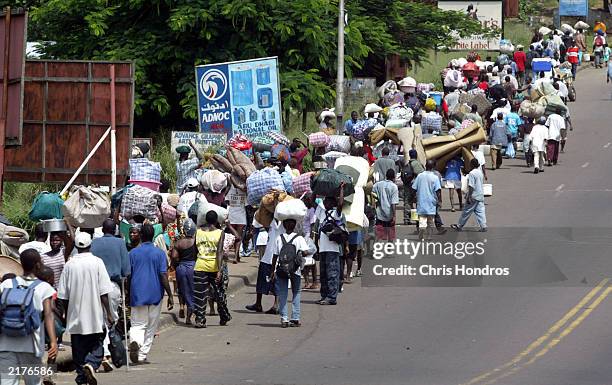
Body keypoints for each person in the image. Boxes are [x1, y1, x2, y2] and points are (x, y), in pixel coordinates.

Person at [57, 232, 114, 385]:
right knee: (97, 347)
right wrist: (109, 313)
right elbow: (104, 292)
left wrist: (65, 314)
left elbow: (63, 296)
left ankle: (82, 376)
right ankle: (91, 364)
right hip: (95, 316)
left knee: (78, 351)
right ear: (90, 245)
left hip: (75, 318)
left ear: (76, 246)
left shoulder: (69, 265)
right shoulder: (97, 263)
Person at [0, 249, 57, 385]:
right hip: (32, 347)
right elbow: (49, 315)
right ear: (38, 265)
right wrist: (53, 341)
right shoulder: (44, 288)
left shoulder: (6, 284)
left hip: (5, 345)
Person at [128, 223, 174, 364]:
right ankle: (142, 354)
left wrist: (128, 291)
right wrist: (170, 294)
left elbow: (128, 276)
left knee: (137, 323)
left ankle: (135, 341)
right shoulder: (159, 253)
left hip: (137, 293)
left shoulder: (132, 253)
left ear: (141, 236)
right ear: (153, 236)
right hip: (155, 293)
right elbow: (163, 275)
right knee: (151, 325)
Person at [90, 218, 131, 371]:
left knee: (99, 320)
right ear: (114, 230)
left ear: (102, 230)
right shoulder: (120, 243)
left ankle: (101, 353)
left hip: (95, 286)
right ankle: (106, 353)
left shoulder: (94, 243)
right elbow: (126, 270)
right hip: (112, 286)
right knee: (111, 320)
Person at [194, 211, 230, 328]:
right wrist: (219, 270)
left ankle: (200, 320)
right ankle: (224, 316)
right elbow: (219, 252)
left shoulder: (198, 232)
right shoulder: (220, 233)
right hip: (214, 267)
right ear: (216, 221)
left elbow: (195, 250)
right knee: (219, 294)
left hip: (200, 266)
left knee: (200, 295)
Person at [270, 218, 309, 328]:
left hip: (281, 269)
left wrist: (272, 270)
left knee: (283, 293)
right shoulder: (299, 238)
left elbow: (275, 256)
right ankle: (295, 318)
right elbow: (306, 252)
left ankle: (284, 318)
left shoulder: (279, 238)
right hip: (295, 269)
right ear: (294, 224)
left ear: (284, 225)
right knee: (296, 292)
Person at [315, 185, 346, 306]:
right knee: (323, 274)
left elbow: (341, 204)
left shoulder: (336, 213)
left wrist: (341, 190)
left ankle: (332, 297)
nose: (324, 202)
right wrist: (315, 189)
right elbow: (313, 202)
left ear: (332, 202)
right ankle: (324, 295)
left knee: (332, 274)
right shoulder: (322, 212)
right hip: (323, 248)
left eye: (327, 200)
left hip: (332, 249)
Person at [245, 219, 279, 314]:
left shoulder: (281, 222)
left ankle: (276, 305)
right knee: (261, 280)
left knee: (276, 281)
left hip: (275, 255)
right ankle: (258, 304)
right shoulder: (272, 222)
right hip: (268, 256)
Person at [171, 219, 197, 325]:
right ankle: (189, 316)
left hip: (181, 268)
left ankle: (184, 308)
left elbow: (174, 256)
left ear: (184, 230)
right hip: (193, 267)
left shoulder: (179, 243)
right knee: (193, 291)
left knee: (183, 290)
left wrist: (176, 264)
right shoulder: (195, 242)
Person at [451, 159, 487, 232]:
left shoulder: (472, 173)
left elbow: (471, 186)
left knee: (466, 211)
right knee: (480, 211)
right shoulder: (480, 172)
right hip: (480, 194)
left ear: (472, 165)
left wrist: (469, 196)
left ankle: (459, 226)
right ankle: (483, 226)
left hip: (473, 195)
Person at [411, 160, 442, 240]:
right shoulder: (435, 177)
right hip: (431, 202)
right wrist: (440, 201)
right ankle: (429, 236)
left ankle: (421, 235)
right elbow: (438, 190)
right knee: (431, 222)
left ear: (425, 166)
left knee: (422, 221)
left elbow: (414, 188)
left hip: (421, 202)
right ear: (433, 167)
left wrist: (412, 198)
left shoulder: (420, 176)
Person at [372, 168, 399, 242]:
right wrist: (394, 216)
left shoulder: (378, 184)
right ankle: (389, 251)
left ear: (386, 176)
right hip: (389, 214)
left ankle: (375, 248)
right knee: (390, 235)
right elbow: (393, 203)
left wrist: (376, 201)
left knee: (378, 234)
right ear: (393, 177)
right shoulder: (394, 187)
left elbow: (372, 192)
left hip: (379, 213)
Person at [401, 149, 424, 225]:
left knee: (407, 202)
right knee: (417, 202)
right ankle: (416, 219)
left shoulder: (407, 164)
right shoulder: (416, 164)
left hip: (407, 186)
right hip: (415, 187)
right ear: (416, 155)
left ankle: (406, 219)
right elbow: (421, 175)